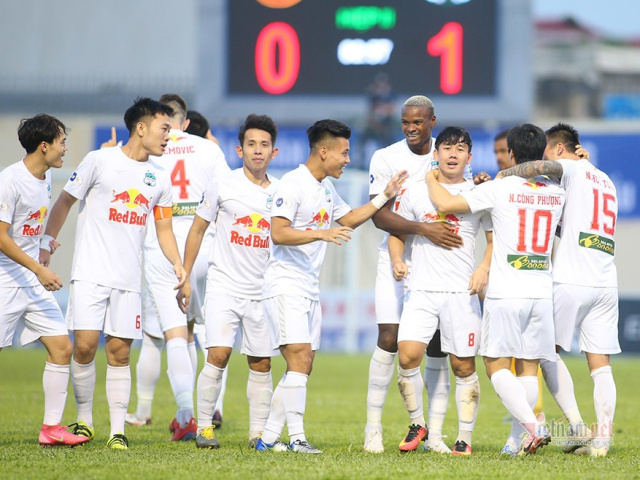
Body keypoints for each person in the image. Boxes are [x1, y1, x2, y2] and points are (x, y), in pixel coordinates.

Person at [41, 97, 188, 450]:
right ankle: (86, 421)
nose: (168, 136)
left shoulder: (160, 177)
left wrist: (178, 263)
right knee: (85, 347)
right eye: (164, 128)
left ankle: (118, 431)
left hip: (128, 279)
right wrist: (46, 243)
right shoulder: (99, 160)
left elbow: (164, 229)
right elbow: (65, 201)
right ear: (141, 127)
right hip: (90, 273)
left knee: (120, 353)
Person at [255, 119, 407, 454]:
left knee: (304, 363)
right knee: (299, 359)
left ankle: (268, 438)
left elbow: (349, 219)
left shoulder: (325, 188)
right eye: (344, 152)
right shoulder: (293, 183)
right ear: (323, 151)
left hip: (308, 287)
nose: (348, 159)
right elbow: (278, 233)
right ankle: (297, 439)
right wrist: (321, 233)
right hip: (285, 284)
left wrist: (385, 196)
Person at [426, 124, 565, 455]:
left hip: (507, 291)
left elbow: (445, 203)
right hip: (541, 290)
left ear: (511, 154)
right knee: (528, 368)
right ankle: (515, 442)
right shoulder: (557, 192)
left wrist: (430, 176)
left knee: (495, 366)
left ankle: (534, 427)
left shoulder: (499, 189)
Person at [498, 123, 619, 457]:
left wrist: (506, 173)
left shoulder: (570, 169)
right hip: (605, 281)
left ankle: (572, 426)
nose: (545, 159)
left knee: (540, 352)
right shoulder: (605, 180)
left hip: (571, 278)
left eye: (547, 151)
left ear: (560, 149)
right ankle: (602, 439)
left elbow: (539, 168)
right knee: (601, 365)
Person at [365, 95, 471, 454]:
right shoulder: (385, 157)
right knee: (389, 338)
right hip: (395, 258)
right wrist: (425, 230)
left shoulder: (446, 151)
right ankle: (373, 429)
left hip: (439, 265)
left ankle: (434, 435)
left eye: (418, 122)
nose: (411, 128)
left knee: (439, 347)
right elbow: (380, 216)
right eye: (406, 123)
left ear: (432, 122)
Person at [124, 94, 230, 441]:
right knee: (203, 333)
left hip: (163, 246)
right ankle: (209, 409)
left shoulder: (154, 147)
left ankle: (184, 413)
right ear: (186, 120)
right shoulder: (208, 149)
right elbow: (228, 195)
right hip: (206, 246)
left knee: (171, 335)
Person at [176, 114, 280, 450]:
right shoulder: (222, 184)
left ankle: (257, 433)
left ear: (274, 151)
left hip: (262, 291)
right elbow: (197, 229)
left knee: (261, 362)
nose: (257, 150)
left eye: (264, 145)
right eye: (251, 144)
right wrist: (185, 275)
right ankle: (205, 428)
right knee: (218, 355)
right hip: (224, 286)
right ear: (240, 150)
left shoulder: (281, 192)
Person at [389, 127, 491, 456]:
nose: (452, 154)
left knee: (463, 366)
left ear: (469, 157)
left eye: (460, 149)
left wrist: (483, 268)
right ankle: (418, 423)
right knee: (407, 356)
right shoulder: (415, 191)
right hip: (421, 289)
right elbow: (397, 232)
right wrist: (397, 260)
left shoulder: (479, 193)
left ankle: (464, 438)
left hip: (460, 292)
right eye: (446, 148)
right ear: (436, 154)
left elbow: (494, 240)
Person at [0, 115, 88, 447]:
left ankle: (51, 428)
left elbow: (30, 229)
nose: (65, 148)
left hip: (32, 282)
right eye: (62, 142)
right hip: (6, 282)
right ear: (43, 146)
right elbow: (1, 237)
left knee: (62, 347)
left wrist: (44, 246)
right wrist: (38, 269)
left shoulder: (46, 176)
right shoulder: (9, 181)